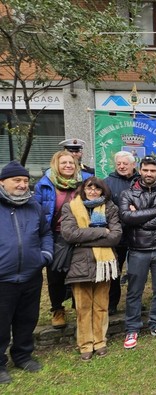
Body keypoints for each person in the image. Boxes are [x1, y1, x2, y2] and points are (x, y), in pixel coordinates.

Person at [0, 161, 53, 383]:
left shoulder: (34, 206)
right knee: (1, 322)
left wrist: (45, 256)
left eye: (24, 180)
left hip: (31, 274)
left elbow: (45, 233)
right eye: (17, 181)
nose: (22, 185)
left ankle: (22, 355)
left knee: (27, 318)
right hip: (3, 277)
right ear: (2, 182)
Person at [61, 177, 122, 361]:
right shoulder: (70, 207)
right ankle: (85, 344)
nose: (93, 191)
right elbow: (70, 234)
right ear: (83, 189)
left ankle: (100, 341)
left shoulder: (110, 208)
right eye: (90, 188)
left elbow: (116, 236)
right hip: (80, 264)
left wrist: (84, 239)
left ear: (103, 191)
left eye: (97, 189)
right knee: (83, 306)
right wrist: (102, 231)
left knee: (101, 305)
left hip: (104, 264)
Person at [119, 156, 156, 349]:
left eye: (153, 170)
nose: (149, 174)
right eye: (146, 170)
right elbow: (126, 217)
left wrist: (140, 218)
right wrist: (154, 212)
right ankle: (132, 328)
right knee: (134, 291)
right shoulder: (128, 194)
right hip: (138, 249)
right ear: (140, 170)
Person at [34, 150, 88, 329]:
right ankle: (57, 309)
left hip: (79, 234)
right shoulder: (45, 185)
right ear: (56, 165)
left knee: (79, 273)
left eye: (71, 163)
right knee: (55, 274)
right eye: (64, 163)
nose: (68, 166)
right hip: (55, 235)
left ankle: (79, 307)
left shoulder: (82, 184)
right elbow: (38, 212)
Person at [103, 151, 139, 315]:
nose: (122, 166)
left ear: (133, 165)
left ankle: (135, 303)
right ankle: (112, 303)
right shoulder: (107, 183)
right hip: (117, 235)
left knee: (136, 272)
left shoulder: (141, 181)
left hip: (139, 234)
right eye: (119, 164)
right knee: (114, 271)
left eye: (125, 164)